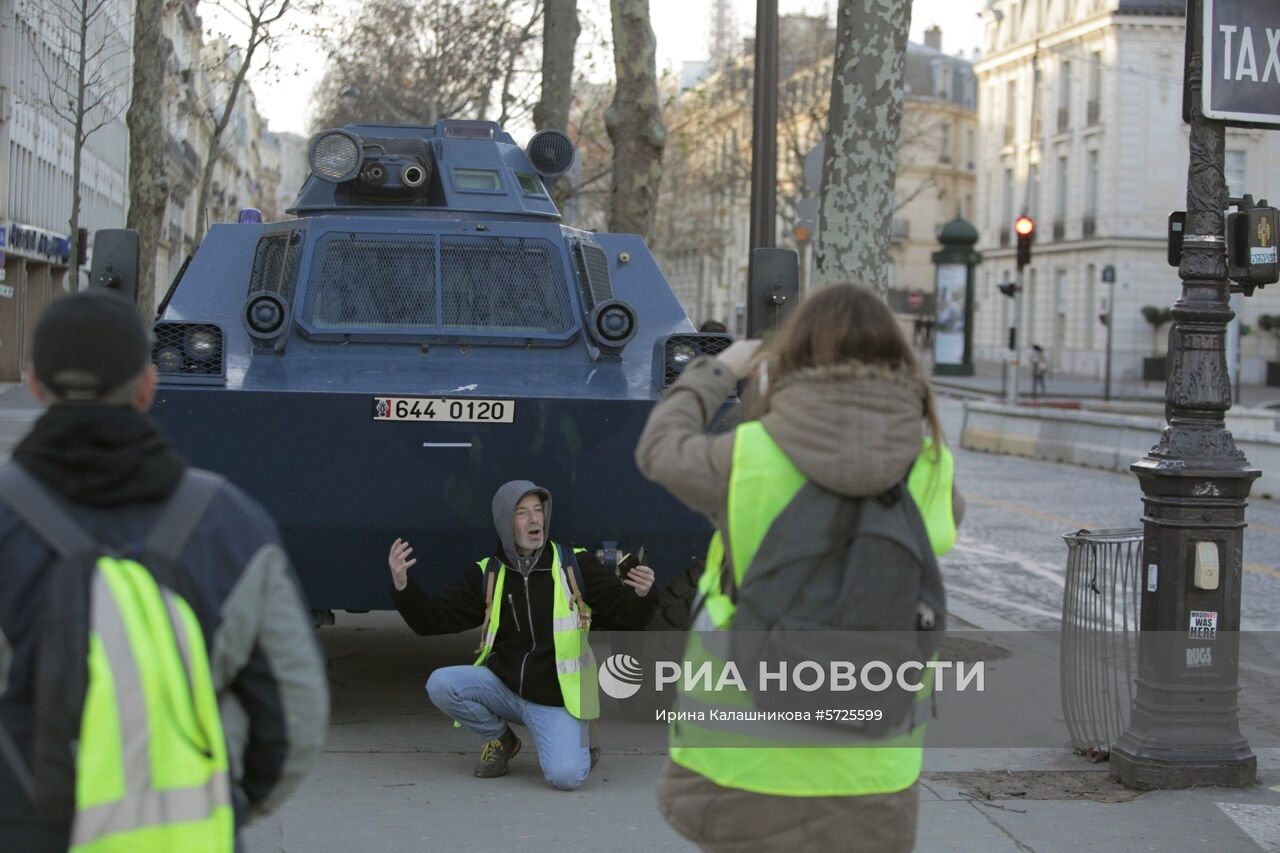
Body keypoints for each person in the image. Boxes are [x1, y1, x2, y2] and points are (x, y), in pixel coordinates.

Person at [635, 283, 963, 852]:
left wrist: (719, 371)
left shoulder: (750, 455)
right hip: (872, 777)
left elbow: (659, 450)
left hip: (740, 763)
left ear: (795, 356)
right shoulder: (931, 466)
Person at [0, 291, 328, 852]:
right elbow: (294, 713)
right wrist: (219, 803)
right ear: (148, 386)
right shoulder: (230, 524)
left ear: (34, 384)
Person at [387, 481, 658, 790]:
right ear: (505, 523)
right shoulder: (488, 572)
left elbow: (627, 617)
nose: (534, 520)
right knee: (441, 684)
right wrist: (403, 588)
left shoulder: (574, 564)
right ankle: (501, 740)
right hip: (505, 687)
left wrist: (643, 595)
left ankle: (583, 734)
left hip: (556, 699)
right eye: (522, 513)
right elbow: (431, 621)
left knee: (566, 777)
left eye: (538, 511)